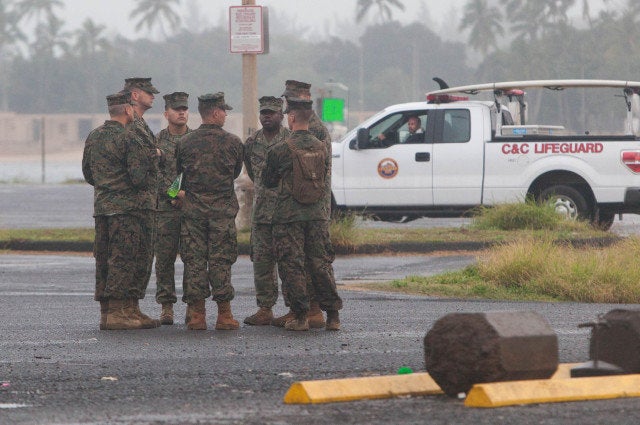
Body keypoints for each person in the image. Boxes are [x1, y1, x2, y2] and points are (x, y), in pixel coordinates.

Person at [262, 97, 343, 331]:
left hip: (289, 216)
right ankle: (333, 316)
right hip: (317, 214)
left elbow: (268, 182)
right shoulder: (321, 147)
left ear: (291, 118)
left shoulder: (280, 149)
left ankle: (300, 316)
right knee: (321, 264)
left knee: (293, 265)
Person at [82, 91, 160, 330]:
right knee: (125, 259)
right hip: (129, 210)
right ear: (128, 110)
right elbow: (138, 178)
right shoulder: (129, 138)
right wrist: (155, 158)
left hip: (104, 207)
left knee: (105, 258)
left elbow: (88, 174)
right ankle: (119, 313)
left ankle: (112, 311)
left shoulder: (94, 136)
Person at [175, 92, 244, 331]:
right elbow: (234, 173)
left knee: (194, 262)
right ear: (215, 113)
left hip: (193, 212)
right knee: (221, 261)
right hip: (222, 213)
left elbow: (178, 177)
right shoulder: (234, 142)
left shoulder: (184, 143)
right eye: (224, 110)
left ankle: (197, 315)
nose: (226, 114)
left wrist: (177, 196)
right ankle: (224, 315)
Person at [242, 96, 291, 326]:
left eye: (272, 112)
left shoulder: (290, 140)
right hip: (261, 214)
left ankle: (294, 309)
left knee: (290, 263)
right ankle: (265, 308)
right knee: (261, 263)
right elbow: (253, 175)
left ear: (281, 115)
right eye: (263, 112)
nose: (267, 116)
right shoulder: (252, 143)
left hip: (285, 213)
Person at [122, 77, 163, 324]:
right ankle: (125, 308)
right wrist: (155, 153)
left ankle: (133, 306)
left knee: (143, 256)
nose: (153, 96)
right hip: (133, 201)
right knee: (131, 255)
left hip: (147, 200)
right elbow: (134, 156)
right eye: (148, 92)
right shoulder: (129, 124)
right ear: (135, 95)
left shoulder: (141, 123)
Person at [154, 91, 191, 325]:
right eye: (176, 109)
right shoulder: (156, 141)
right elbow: (153, 174)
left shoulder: (196, 140)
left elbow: (203, 172)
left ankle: (192, 304)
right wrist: (173, 193)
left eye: (184, 109)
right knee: (165, 259)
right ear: (166, 113)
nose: (181, 112)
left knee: (193, 258)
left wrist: (188, 195)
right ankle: (166, 306)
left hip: (192, 208)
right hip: (166, 209)